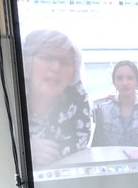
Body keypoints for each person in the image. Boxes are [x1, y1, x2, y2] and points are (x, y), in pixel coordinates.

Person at [22, 29, 92, 168]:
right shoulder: (10, 94)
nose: (56, 67)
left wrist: (49, 155)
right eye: (47, 58)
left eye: (65, 62)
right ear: (26, 61)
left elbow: (80, 143)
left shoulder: (76, 95)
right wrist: (24, 151)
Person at [91, 60, 138, 147]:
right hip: (111, 156)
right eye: (119, 78)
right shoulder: (104, 110)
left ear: (137, 82)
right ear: (114, 82)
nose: (125, 83)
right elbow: (96, 146)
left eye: (130, 78)